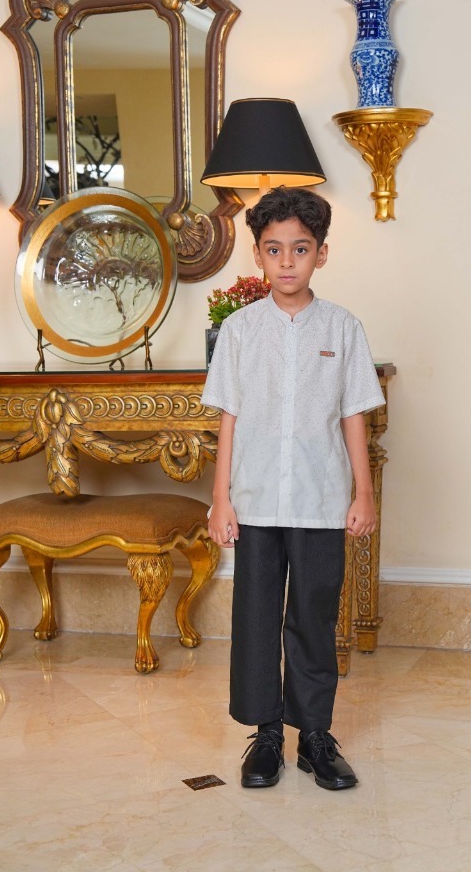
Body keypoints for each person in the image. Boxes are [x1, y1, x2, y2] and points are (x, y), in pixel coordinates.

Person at [200, 186, 384, 791]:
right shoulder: (239, 331)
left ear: (320, 255)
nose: (287, 261)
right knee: (256, 617)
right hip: (254, 500)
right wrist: (221, 498)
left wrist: (362, 493)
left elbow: (353, 415)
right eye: (274, 249)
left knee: (312, 615)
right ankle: (266, 735)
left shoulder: (343, 328)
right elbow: (229, 417)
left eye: (300, 249)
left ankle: (315, 738)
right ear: (257, 254)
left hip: (321, 500)